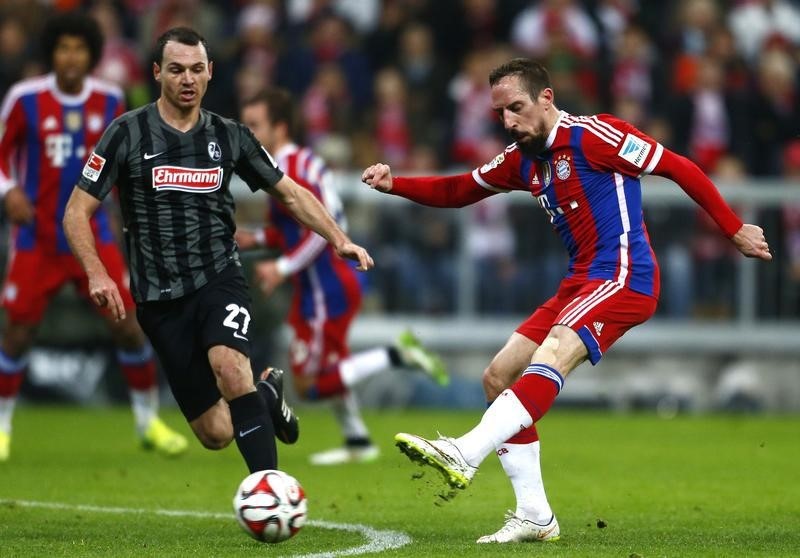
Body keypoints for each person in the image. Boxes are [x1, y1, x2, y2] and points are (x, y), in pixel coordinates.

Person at [362, 58, 772, 543]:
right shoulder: (522, 158)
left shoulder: (596, 136)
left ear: (546, 98)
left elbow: (678, 166)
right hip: (578, 284)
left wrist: (733, 227)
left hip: (624, 274)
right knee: (499, 375)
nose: (509, 122)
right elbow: (460, 189)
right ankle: (534, 514)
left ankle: (464, 452)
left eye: (516, 108)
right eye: (500, 115)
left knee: (553, 350)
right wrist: (396, 185)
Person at [62, 26, 373, 475]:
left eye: (195, 69)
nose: (187, 79)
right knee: (216, 433)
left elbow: (288, 192)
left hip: (218, 279)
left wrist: (338, 238)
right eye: (175, 70)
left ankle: (270, 490)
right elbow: (76, 212)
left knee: (229, 368)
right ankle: (266, 395)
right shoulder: (125, 133)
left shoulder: (230, 136)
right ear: (157, 73)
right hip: (158, 300)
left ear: (210, 73)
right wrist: (97, 272)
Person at [0, 12, 187, 462]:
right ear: (52, 53)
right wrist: (8, 192)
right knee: (18, 333)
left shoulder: (109, 100)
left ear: (91, 54)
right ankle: (2, 427)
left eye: (79, 48)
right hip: (37, 238)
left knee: (127, 326)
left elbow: (129, 162)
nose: (70, 56)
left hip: (94, 239)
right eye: (63, 48)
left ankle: (148, 423)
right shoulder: (25, 99)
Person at [235, 88, 449, 465]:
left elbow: (321, 236)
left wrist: (281, 268)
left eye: (255, 126)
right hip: (321, 285)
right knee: (332, 367)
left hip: (325, 286)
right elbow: (289, 231)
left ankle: (398, 354)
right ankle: (357, 438)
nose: (249, 134)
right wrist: (252, 238)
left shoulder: (292, 168)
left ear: (280, 127)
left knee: (308, 383)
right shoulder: (293, 163)